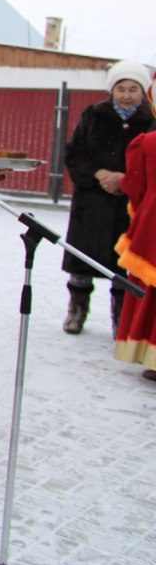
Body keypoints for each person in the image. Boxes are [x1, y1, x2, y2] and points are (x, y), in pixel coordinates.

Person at [61, 60, 153, 335]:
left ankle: (120, 320)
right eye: (121, 88)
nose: (126, 94)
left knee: (123, 267)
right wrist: (99, 173)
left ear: (143, 91)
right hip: (90, 201)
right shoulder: (94, 114)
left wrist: (125, 179)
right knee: (82, 262)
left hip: (129, 206)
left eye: (133, 89)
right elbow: (74, 152)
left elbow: (150, 160)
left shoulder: (150, 121)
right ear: (112, 90)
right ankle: (77, 311)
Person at [113, 124, 156, 380]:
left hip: (153, 224)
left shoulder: (148, 143)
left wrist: (142, 211)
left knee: (152, 293)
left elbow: (135, 186)